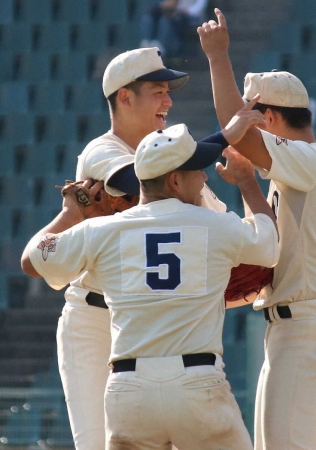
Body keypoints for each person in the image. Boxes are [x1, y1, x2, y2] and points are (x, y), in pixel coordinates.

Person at [21, 120, 279, 449]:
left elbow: (35, 254)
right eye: (197, 170)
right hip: (196, 384)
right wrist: (247, 183)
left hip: (129, 391)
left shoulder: (104, 231)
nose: (203, 178)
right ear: (174, 180)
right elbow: (269, 247)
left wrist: (72, 212)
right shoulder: (214, 224)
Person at [198, 9, 316, 450]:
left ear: (267, 117)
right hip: (295, 328)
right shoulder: (301, 170)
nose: (246, 118)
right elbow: (272, 243)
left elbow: (234, 130)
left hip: (307, 329)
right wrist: (249, 185)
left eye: (252, 112)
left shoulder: (311, 160)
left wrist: (217, 57)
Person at [53, 47, 191, 450]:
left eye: (168, 91)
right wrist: (225, 137)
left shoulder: (173, 158)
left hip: (150, 323)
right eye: (157, 91)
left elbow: (214, 221)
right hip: (94, 321)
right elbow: (135, 181)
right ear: (124, 98)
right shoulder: (102, 150)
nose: (168, 100)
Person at [139, 0, 208, 58]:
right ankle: (147, 43)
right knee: (149, 18)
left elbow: (198, 8)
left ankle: (160, 46)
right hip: (173, 14)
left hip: (191, 19)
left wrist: (181, 10)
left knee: (165, 21)